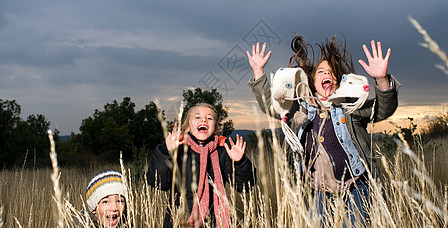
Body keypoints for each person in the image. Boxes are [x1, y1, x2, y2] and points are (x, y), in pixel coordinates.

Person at [246, 35, 400, 226]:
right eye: (321, 71)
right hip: (318, 189)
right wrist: (258, 71)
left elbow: (384, 109)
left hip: (356, 185)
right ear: (312, 80)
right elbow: (272, 106)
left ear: (339, 80)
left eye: (331, 72)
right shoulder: (300, 109)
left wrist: (381, 79)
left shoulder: (350, 106)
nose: (327, 74)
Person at [148, 103, 255, 228]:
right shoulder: (179, 150)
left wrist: (239, 162)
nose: (203, 119)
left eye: (209, 118)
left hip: (214, 220)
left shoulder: (222, 151)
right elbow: (157, 183)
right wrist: (166, 152)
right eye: (197, 117)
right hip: (180, 220)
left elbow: (245, 187)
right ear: (187, 127)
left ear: (215, 128)